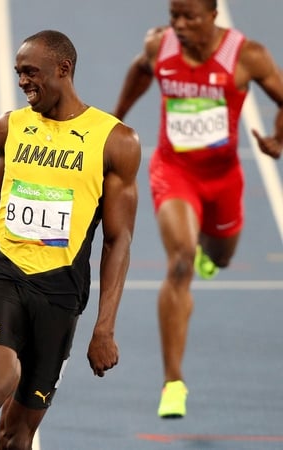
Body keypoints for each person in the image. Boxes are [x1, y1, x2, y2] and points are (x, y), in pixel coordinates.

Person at [0, 30, 141, 450]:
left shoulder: (115, 141)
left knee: (17, 437)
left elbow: (118, 240)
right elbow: (1, 202)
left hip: (61, 292)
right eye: (18, 73)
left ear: (63, 69)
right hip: (5, 275)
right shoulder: (10, 128)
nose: (22, 82)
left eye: (31, 72)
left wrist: (104, 328)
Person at [112, 0, 283, 419]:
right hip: (175, 172)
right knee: (180, 263)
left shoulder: (247, 56)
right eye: (174, 16)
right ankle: (173, 382)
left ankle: (211, 255)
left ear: (213, 15)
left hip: (224, 179)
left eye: (190, 16)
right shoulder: (160, 46)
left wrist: (279, 139)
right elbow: (139, 71)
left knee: (219, 256)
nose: (180, 25)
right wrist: (114, 120)